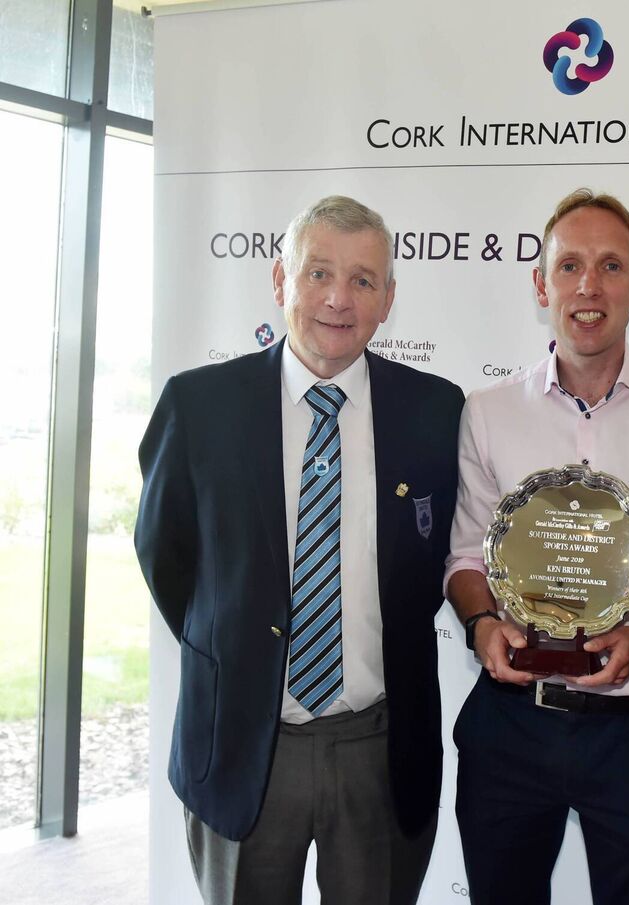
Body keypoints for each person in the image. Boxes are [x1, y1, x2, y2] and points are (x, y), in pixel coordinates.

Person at [135, 195, 463, 905]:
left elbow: (443, 557)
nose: (339, 299)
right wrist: (236, 648)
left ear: (389, 299)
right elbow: (166, 557)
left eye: (363, 280)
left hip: (379, 749)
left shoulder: (436, 411)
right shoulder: (198, 407)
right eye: (318, 273)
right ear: (280, 279)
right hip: (244, 748)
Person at [445, 188, 629, 905]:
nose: (588, 287)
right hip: (510, 723)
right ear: (540, 286)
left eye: (610, 266)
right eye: (568, 266)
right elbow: (465, 560)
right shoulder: (486, 412)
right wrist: (482, 625)